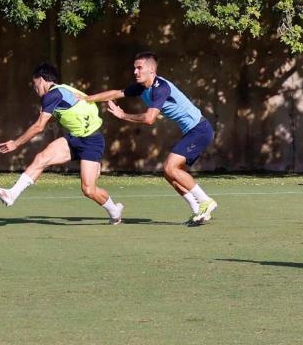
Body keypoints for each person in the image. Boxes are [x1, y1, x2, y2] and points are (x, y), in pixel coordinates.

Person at [85, 52, 218, 225]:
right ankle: (197, 210)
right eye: (134, 68)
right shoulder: (141, 87)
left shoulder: (160, 87)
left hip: (200, 130)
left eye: (139, 68)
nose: (135, 72)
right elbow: (116, 93)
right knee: (170, 174)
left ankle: (206, 202)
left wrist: (123, 115)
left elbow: (149, 119)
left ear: (151, 70)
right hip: (193, 131)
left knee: (170, 168)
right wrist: (87, 99)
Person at [0, 63, 125, 224]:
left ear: (41, 80)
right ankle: (11, 194)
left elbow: (39, 126)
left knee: (88, 190)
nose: (35, 88)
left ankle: (114, 211)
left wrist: (16, 143)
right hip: (75, 138)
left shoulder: (52, 95)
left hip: (91, 141)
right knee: (41, 158)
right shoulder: (60, 91)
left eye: (35, 84)